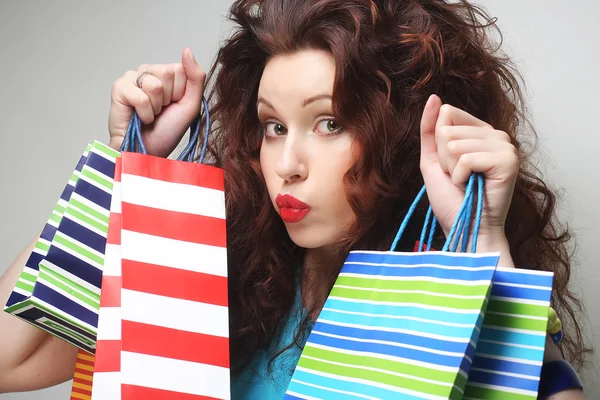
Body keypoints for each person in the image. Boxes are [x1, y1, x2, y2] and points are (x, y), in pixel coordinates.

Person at [0, 0, 589, 398]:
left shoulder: (447, 301)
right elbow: (10, 358)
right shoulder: (210, 268)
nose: (286, 165)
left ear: (405, 134)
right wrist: (124, 168)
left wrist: (487, 249)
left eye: (329, 123)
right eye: (273, 127)